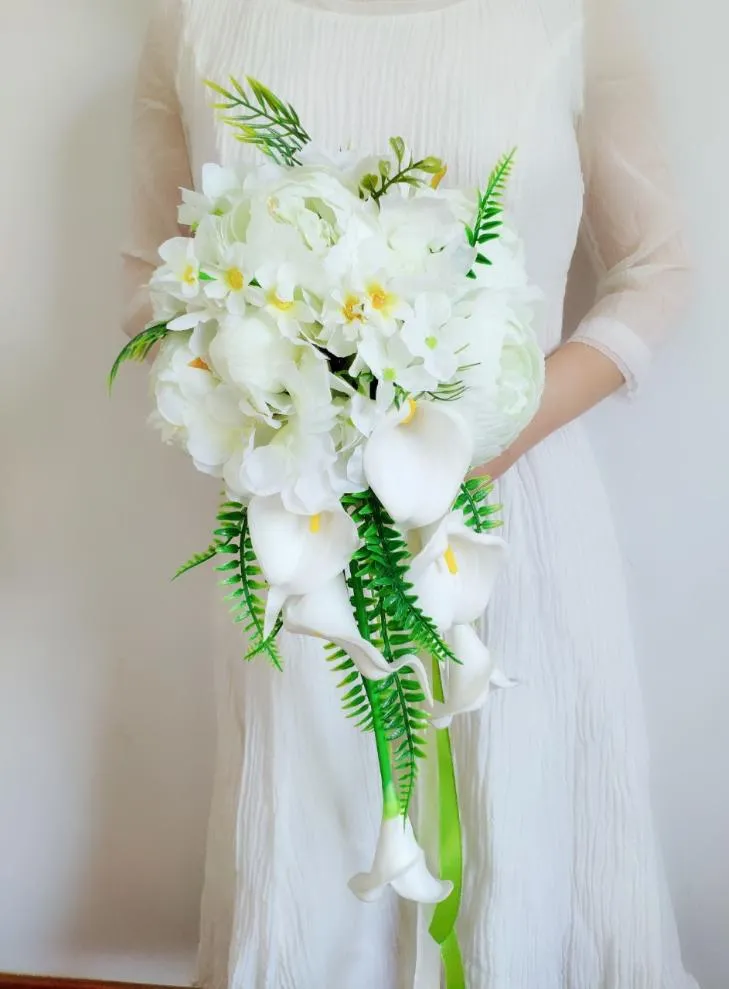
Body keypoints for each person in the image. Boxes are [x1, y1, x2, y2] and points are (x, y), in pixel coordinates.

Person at [122, 0, 696, 986]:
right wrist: (273, 406)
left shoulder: (573, 15)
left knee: (523, 829)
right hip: (300, 531)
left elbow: (655, 268)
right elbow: (154, 282)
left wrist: (491, 432)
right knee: (315, 854)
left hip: (515, 517)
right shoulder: (195, 19)